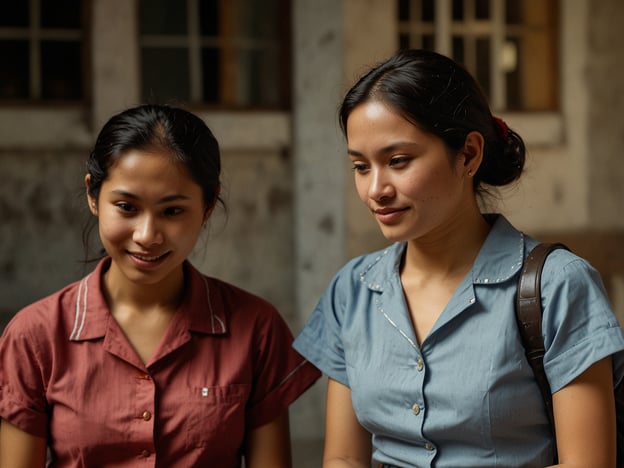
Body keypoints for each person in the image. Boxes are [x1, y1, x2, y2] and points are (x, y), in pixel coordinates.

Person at [293, 49, 624, 467]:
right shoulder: (352, 289)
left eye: (398, 161)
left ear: (468, 154)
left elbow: (588, 464)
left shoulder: (558, 285)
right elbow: (343, 458)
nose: (376, 189)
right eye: (361, 166)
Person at [0, 104, 321, 467]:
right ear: (93, 195)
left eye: (172, 211)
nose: (147, 235)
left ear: (209, 203)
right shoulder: (35, 336)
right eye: (126, 206)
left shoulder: (255, 329)